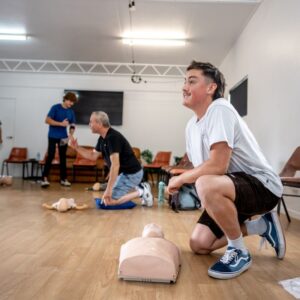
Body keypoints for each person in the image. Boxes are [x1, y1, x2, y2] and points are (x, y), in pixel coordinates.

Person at [167, 61, 285, 279]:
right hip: (232, 188)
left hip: (262, 186)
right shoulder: (191, 126)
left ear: (211, 88)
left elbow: (217, 166)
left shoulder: (219, 108)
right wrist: (179, 174)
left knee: (205, 183)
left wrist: (182, 179)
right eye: (184, 81)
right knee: (199, 244)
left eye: (192, 81)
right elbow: (201, 166)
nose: (184, 87)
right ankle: (261, 226)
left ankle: (238, 250)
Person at [69, 111, 153, 207]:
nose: (89, 124)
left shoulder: (112, 138)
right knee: (106, 200)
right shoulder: (102, 138)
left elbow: (115, 165)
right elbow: (92, 156)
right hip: (124, 174)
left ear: (99, 124)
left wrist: (108, 191)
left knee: (109, 203)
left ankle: (141, 192)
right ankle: (140, 188)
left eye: (91, 122)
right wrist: (76, 147)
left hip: (132, 174)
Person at [41, 92, 77, 187]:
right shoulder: (55, 107)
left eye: (73, 102)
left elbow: (72, 124)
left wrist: (71, 134)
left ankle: (63, 179)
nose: (71, 103)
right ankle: (44, 178)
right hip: (52, 136)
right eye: (70, 101)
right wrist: (61, 124)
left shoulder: (71, 112)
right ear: (65, 99)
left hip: (63, 137)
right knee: (51, 155)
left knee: (63, 157)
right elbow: (47, 120)